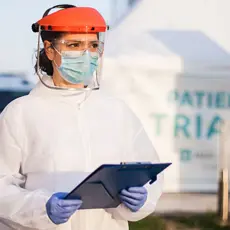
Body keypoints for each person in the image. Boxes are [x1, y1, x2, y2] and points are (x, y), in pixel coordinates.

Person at [0, 4, 163, 230]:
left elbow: (148, 171)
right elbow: (2, 185)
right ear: (49, 50)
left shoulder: (116, 111)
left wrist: (142, 199)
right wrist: (41, 208)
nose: (86, 54)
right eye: (74, 45)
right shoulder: (21, 113)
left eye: (93, 45)